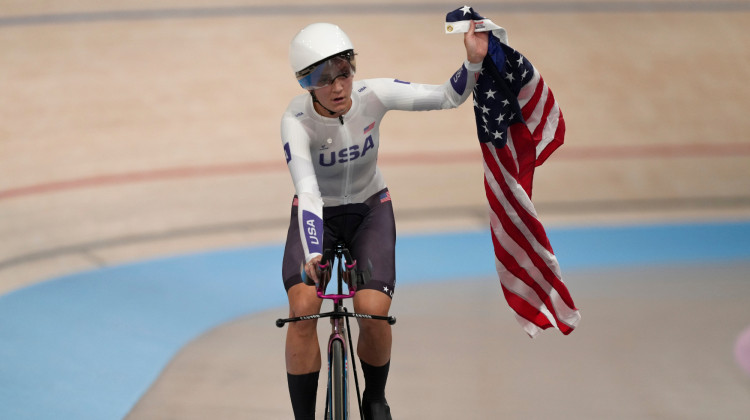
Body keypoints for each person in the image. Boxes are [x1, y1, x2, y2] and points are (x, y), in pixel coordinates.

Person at [280, 20, 488, 420]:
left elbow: (447, 96)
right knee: (303, 308)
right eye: (325, 79)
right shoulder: (295, 121)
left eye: (344, 71)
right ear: (306, 83)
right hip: (317, 215)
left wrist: (474, 62)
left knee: (372, 309)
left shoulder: (373, 94)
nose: (339, 86)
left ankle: (375, 397)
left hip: (369, 208)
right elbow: (307, 192)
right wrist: (311, 253)